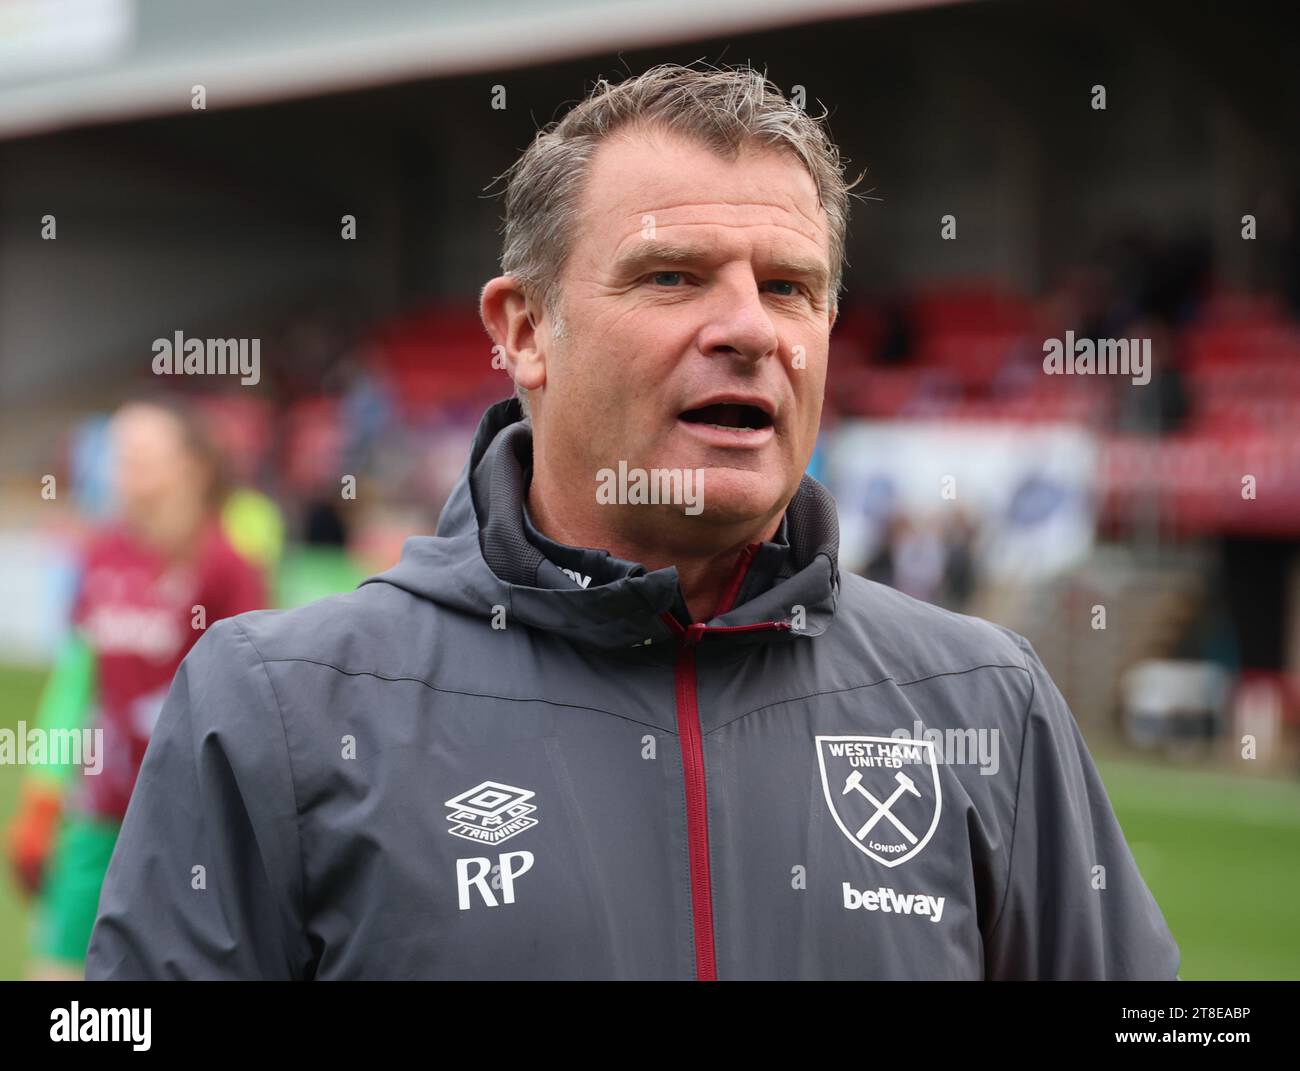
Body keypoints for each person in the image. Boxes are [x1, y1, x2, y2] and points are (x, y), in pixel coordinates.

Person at [85, 64, 1180, 980]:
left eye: (792, 289)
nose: (750, 328)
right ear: (524, 330)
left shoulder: (982, 699)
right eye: (673, 276)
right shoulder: (278, 707)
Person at [6, 397, 266, 979]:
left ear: (192, 467)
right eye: (118, 454)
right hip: (97, 816)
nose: (122, 468)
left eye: (141, 455)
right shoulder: (99, 554)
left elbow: (253, 697)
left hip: (190, 821)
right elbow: (78, 681)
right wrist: (44, 791)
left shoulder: (229, 566)